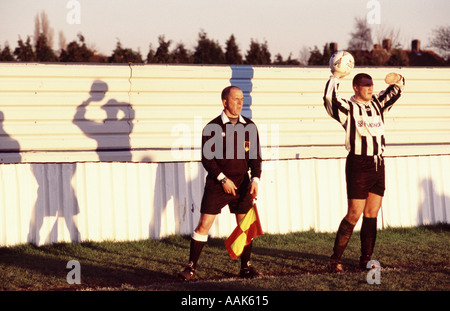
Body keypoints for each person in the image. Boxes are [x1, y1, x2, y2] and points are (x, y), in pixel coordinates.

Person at [323, 69, 405, 273]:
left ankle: (365, 258)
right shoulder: (348, 108)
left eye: (371, 84)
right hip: (358, 165)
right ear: (356, 87)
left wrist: (398, 80)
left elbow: (396, 90)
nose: (370, 88)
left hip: (378, 164)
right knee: (354, 213)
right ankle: (335, 259)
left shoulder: (378, 103)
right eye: (366, 85)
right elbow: (328, 98)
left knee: (372, 213)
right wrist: (335, 76)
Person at [178, 86, 262, 281]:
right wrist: (222, 179)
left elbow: (255, 158)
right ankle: (191, 267)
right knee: (203, 225)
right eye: (235, 99)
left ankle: (246, 267)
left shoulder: (249, 127)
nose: (240, 103)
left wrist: (255, 179)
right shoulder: (212, 127)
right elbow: (207, 159)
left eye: (242, 99)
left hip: (242, 183)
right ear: (225, 102)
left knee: (245, 226)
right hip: (218, 184)